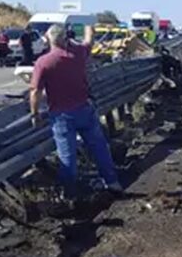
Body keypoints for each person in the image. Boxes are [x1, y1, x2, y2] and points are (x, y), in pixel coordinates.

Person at [29, 23, 122, 198]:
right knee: (100, 148)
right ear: (66, 38)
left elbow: (35, 91)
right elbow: (89, 41)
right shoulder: (78, 53)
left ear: (48, 39)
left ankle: (69, 194)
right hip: (85, 109)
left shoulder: (44, 62)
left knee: (67, 156)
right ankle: (112, 182)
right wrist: (88, 28)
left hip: (61, 115)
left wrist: (34, 114)